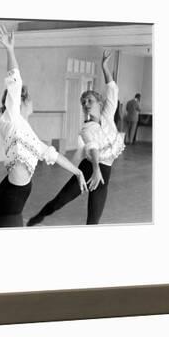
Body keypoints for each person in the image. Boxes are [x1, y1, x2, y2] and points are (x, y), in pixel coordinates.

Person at [0, 26, 87, 228]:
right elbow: (14, 82)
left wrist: (77, 172)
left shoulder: (26, 130)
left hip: (14, 193)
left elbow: (51, 154)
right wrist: (10, 50)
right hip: (12, 195)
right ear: (21, 102)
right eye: (29, 98)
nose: (33, 101)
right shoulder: (11, 118)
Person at [27, 50, 125, 226]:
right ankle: (40, 215)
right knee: (60, 201)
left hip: (104, 174)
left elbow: (112, 90)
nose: (86, 105)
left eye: (89, 101)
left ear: (99, 103)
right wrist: (95, 170)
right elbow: (93, 148)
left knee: (93, 220)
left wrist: (104, 67)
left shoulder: (108, 116)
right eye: (83, 103)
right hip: (90, 168)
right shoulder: (86, 128)